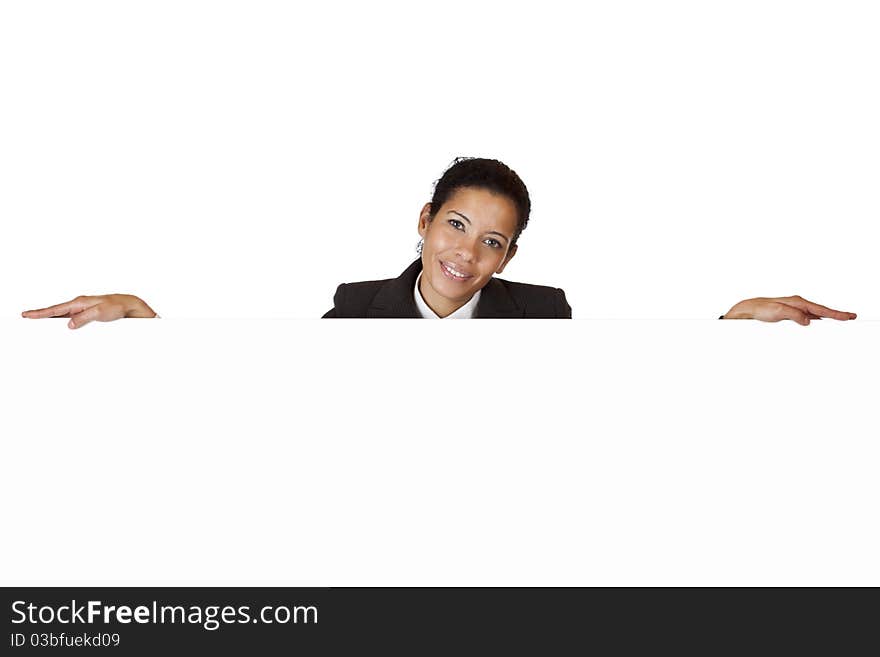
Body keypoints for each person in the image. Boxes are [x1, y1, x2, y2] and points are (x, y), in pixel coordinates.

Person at [21, 157, 857, 326]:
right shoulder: (355, 308)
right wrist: (152, 327)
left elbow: (619, 398)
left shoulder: (543, 312)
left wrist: (728, 331)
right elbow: (272, 395)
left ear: (509, 259)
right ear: (423, 223)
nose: (468, 253)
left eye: (494, 241)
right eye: (457, 225)